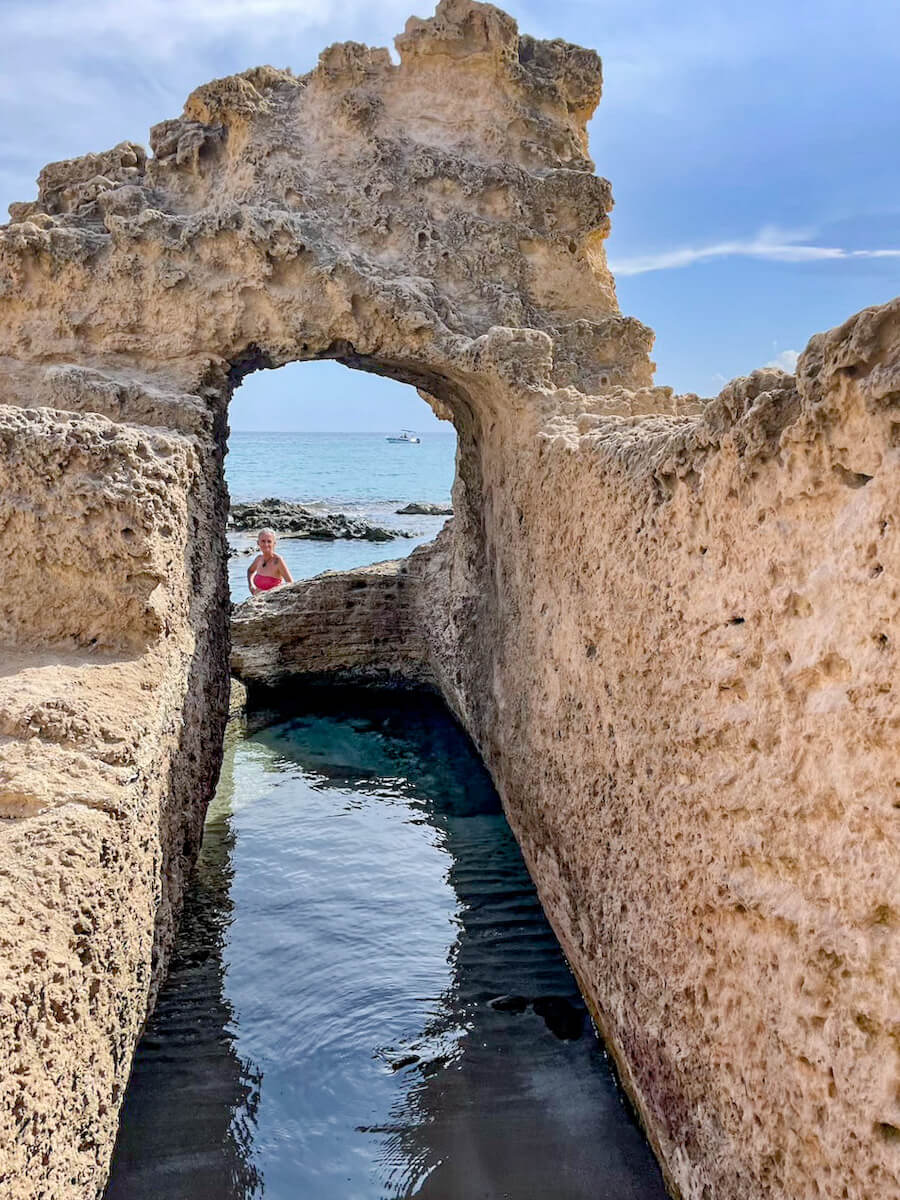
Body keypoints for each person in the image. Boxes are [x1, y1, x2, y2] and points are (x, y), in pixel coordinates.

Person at [247, 528, 293, 596]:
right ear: (258, 543)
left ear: (274, 543)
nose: (266, 544)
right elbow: (250, 571)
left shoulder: (278, 561)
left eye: (269, 541)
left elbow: (290, 583)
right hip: (256, 601)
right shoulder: (259, 559)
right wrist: (251, 586)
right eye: (263, 541)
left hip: (271, 603)